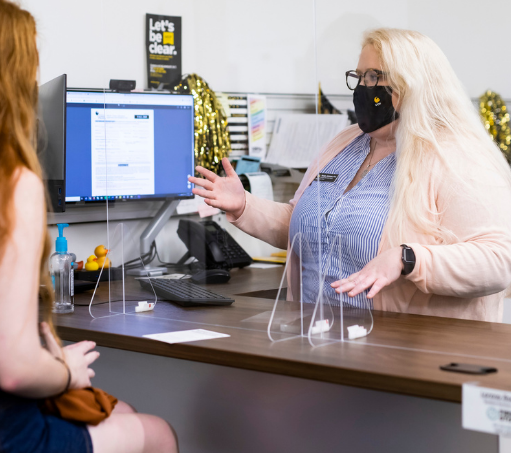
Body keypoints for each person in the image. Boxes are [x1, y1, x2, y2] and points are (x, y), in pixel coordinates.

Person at [0, 0, 178, 453]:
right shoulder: (12, 183)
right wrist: (65, 370)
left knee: (123, 415)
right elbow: (13, 367)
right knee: (156, 434)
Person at [189, 28, 511, 322]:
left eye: (374, 77)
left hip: (404, 352)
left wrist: (409, 259)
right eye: (358, 77)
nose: (363, 88)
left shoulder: (455, 155)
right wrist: (244, 205)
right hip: (319, 340)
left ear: (413, 82)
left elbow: (499, 260)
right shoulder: (344, 143)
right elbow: (306, 225)